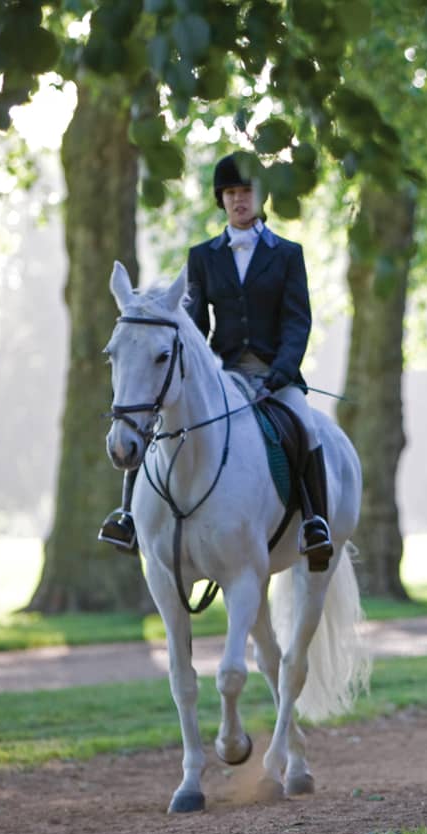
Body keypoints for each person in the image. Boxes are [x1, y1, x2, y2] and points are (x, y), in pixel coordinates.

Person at [99, 153, 334, 567]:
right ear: (221, 200)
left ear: (260, 198)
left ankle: (315, 523)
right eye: (230, 193)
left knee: (306, 426)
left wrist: (280, 373)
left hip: (271, 374)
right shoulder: (202, 257)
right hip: (219, 373)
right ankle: (127, 516)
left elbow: (298, 322)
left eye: (246, 192)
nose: (239, 200)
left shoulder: (287, 255)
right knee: (154, 418)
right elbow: (191, 326)